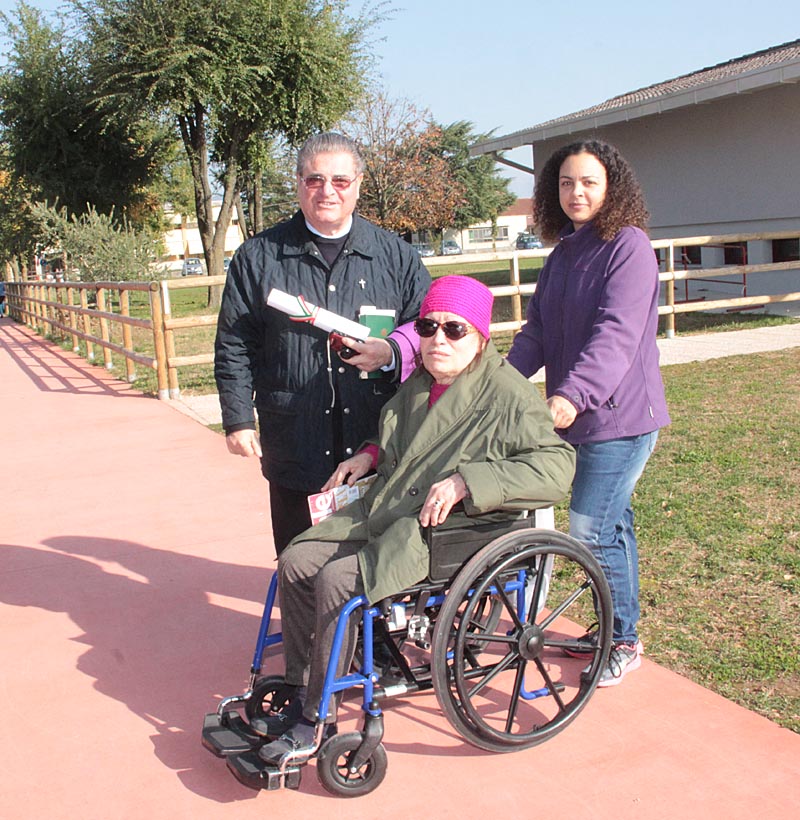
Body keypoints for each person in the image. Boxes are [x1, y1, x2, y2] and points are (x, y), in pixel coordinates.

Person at [254, 275, 576, 763]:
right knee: (296, 560)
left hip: (442, 530)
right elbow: (399, 440)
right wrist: (368, 455)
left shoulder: (508, 394)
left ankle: (317, 716)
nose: (437, 339)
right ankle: (302, 686)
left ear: (480, 338)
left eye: (454, 329)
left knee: (340, 580)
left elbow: (556, 468)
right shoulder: (422, 383)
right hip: (389, 507)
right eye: (428, 327)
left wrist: (469, 481)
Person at [214, 132, 431, 555]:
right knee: (299, 561)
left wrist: (391, 352)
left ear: (358, 184)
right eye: (315, 180)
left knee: (375, 566)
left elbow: (426, 329)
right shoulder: (257, 258)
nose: (327, 191)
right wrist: (238, 418)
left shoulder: (396, 256)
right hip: (296, 444)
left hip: (377, 441)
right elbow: (234, 344)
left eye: (340, 180)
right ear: (298, 183)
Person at [507, 139, 670, 687]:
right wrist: (499, 385)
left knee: (590, 529)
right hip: (577, 417)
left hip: (620, 420)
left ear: (611, 187)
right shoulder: (563, 254)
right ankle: (619, 628)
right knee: (611, 525)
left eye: (588, 182)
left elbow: (615, 335)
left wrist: (570, 396)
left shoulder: (629, 247)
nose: (576, 192)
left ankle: (622, 641)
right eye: (566, 183)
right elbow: (536, 333)